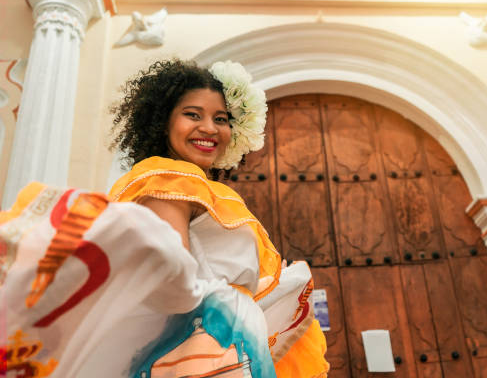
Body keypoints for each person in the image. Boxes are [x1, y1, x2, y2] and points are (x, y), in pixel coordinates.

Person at [0, 60, 328, 378]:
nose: (210, 128)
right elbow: (170, 269)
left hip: (218, 337)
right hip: (204, 345)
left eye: (221, 118)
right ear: (162, 122)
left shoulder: (193, 184)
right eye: (192, 115)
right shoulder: (170, 177)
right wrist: (225, 311)